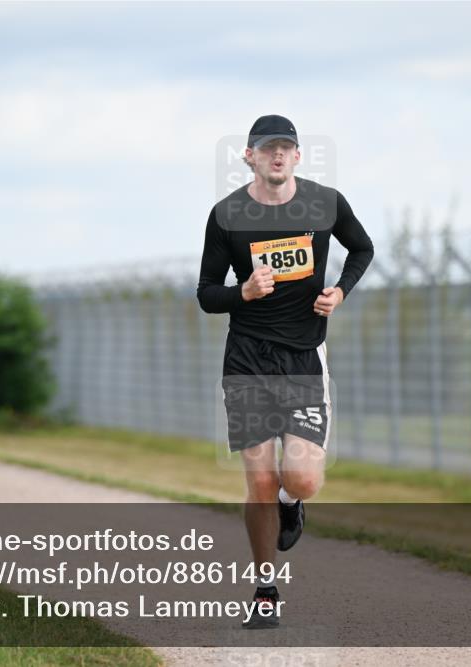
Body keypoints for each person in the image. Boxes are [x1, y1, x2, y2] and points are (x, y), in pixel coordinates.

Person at [197, 115, 374, 629]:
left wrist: (340, 291)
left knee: (302, 479)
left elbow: (362, 248)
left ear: (298, 156)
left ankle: (290, 502)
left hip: (303, 358)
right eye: (267, 148)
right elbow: (207, 293)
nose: (277, 155)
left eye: (286, 148)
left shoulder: (325, 203)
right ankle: (266, 590)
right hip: (248, 360)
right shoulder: (226, 215)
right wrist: (242, 293)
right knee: (258, 480)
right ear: (248, 157)